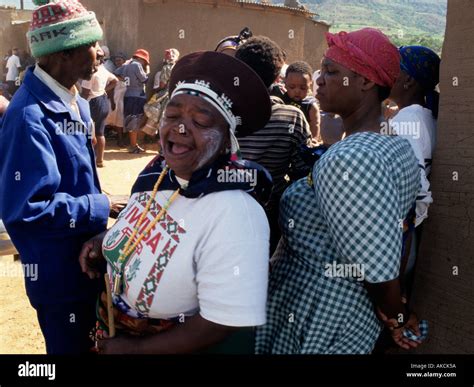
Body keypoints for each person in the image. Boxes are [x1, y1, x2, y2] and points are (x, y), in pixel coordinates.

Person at [79, 51, 272, 354]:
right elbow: (144, 225)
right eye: (172, 116)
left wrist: (138, 350)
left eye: (200, 120)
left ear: (226, 139)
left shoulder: (237, 213)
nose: (179, 129)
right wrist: (107, 243)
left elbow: (220, 323)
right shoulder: (157, 174)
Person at [256, 28, 423, 354]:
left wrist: (399, 315)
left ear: (366, 82)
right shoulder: (395, 145)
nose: (319, 80)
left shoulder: (350, 158)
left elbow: (373, 268)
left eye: (332, 72)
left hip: (318, 317)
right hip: (341, 312)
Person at [0, 0, 112, 354]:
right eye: (91, 46)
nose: (98, 53)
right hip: (61, 279)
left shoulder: (74, 101)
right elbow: (28, 209)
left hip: (87, 267)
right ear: (63, 54)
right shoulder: (29, 117)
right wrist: (100, 206)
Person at [235, 36, 312, 254]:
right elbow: (302, 174)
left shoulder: (218, 114)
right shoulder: (292, 117)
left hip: (221, 213)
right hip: (270, 217)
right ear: (278, 77)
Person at [388, 45, 441, 299]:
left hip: (399, 240)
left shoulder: (404, 122)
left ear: (407, 79)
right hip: (411, 236)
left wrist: (402, 232)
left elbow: (418, 191)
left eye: (393, 68)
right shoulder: (430, 119)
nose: (387, 73)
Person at [81, 47, 118, 167]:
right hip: (103, 101)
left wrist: (80, 106)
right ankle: (100, 160)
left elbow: (85, 93)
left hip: (92, 102)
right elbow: (115, 81)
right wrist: (104, 90)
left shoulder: (91, 72)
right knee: (100, 133)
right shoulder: (104, 70)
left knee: (87, 132)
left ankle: (89, 159)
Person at [114, 49, 150, 153]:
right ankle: (133, 146)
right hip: (137, 96)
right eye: (145, 61)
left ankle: (134, 145)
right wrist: (147, 70)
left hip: (128, 95)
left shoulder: (126, 65)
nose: (144, 64)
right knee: (135, 121)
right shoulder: (136, 65)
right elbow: (145, 80)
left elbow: (115, 73)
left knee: (131, 120)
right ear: (140, 58)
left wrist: (124, 80)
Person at [282, 61, 321, 144]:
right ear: (285, 83)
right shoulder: (282, 99)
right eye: (292, 87)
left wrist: (314, 139)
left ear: (310, 84)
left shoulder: (310, 105)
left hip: (302, 143)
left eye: (302, 88)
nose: (297, 91)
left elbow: (315, 124)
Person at [106, 53, 127, 146]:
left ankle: (120, 140)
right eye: (116, 60)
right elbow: (110, 88)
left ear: (124, 61)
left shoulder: (127, 72)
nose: (117, 62)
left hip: (123, 100)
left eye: (120, 60)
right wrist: (112, 101)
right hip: (115, 100)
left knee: (120, 120)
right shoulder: (113, 74)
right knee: (108, 119)